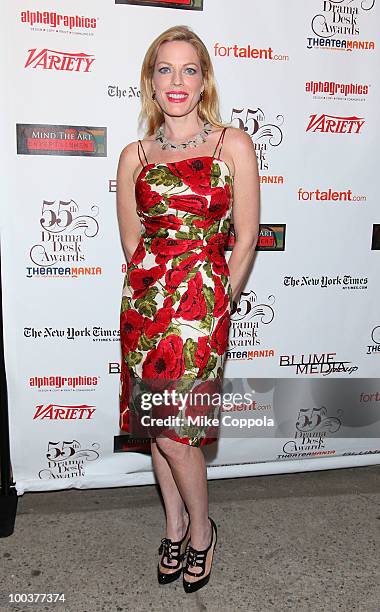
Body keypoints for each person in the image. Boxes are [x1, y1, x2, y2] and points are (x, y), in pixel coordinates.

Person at [116, 25, 260, 593]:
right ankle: (173, 524)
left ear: (204, 82)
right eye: (164, 69)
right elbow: (133, 242)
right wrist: (156, 288)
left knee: (180, 433)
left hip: (201, 305)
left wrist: (218, 297)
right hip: (146, 305)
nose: (177, 81)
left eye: (189, 69)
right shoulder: (135, 155)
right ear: (151, 82)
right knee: (158, 427)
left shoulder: (233, 144)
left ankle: (202, 529)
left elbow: (245, 237)